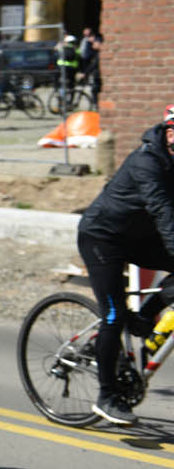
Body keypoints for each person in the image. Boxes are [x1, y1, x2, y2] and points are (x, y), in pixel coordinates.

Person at [75, 105, 174, 425]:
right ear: (171, 133)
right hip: (102, 238)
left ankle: (143, 316)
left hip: (138, 238)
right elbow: (163, 212)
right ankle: (107, 397)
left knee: (130, 315)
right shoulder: (147, 162)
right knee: (114, 315)